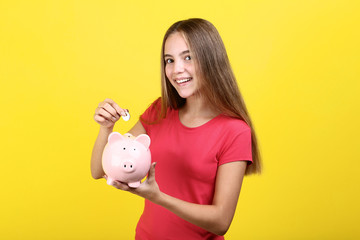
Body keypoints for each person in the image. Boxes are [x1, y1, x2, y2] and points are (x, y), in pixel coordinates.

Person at [91, 18, 261, 239]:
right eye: (169, 60)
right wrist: (107, 128)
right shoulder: (159, 111)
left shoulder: (235, 131)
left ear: (211, 60)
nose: (176, 70)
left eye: (188, 57)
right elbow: (99, 171)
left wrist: (157, 197)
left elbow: (221, 222)